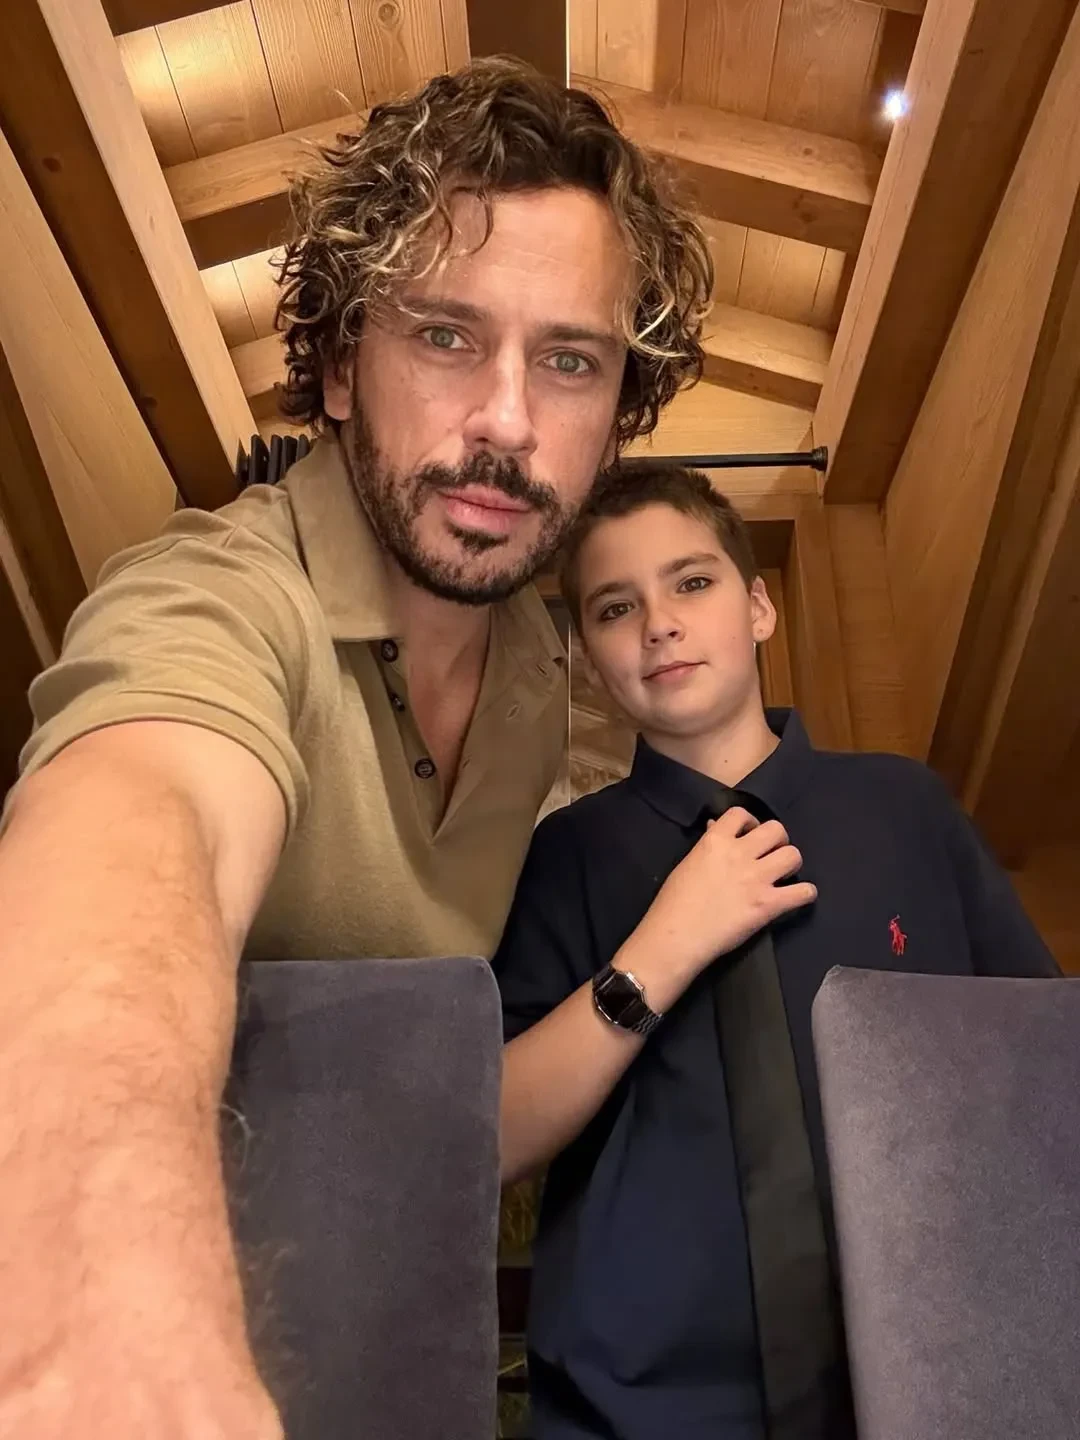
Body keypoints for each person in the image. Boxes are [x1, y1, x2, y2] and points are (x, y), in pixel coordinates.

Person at [0, 63, 713, 1437]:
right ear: (336, 370)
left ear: (618, 413)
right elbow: (133, 833)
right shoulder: (217, 598)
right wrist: (87, 1302)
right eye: (445, 335)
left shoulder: (545, 668)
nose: (507, 421)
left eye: (570, 361)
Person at [494, 463, 1059, 1440]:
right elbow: (494, 1133)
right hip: (632, 1407)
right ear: (588, 653)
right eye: (616, 607)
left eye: (692, 582)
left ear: (758, 607)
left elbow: (1045, 1075)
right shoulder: (564, 856)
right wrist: (661, 949)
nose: (659, 624)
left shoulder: (907, 810)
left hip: (939, 1381)